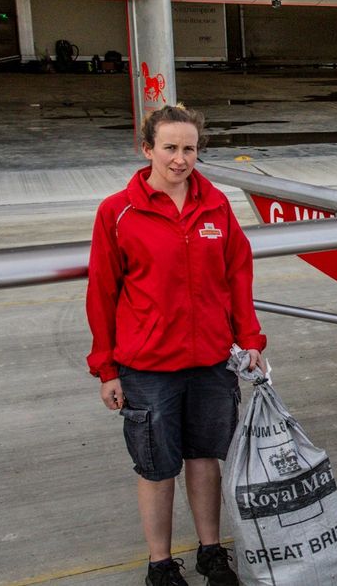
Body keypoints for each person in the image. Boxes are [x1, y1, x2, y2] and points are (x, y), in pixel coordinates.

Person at [86, 105, 266, 586]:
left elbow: (237, 276)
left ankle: (211, 552)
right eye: (169, 148)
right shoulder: (117, 212)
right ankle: (160, 565)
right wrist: (106, 369)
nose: (180, 159)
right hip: (148, 368)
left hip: (211, 362)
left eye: (189, 148)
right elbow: (101, 293)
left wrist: (249, 338)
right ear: (147, 149)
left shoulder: (216, 206)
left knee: (205, 458)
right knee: (156, 467)